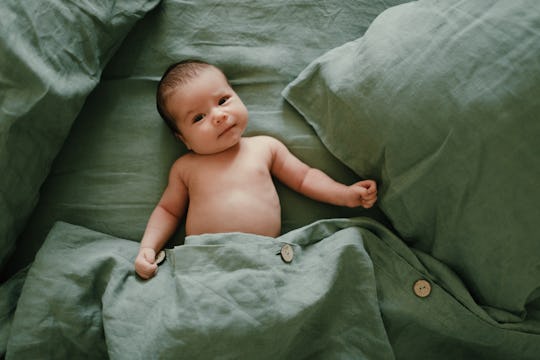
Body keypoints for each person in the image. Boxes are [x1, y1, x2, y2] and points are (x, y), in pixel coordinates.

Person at [135, 60, 377, 279]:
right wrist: (148, 247)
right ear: (184, 139)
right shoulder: (186, 167)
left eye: (222, 101)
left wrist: (345, 194)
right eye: (198, 118)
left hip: (263, 259)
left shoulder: (265, 147)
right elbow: (168, 211)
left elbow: (305, 178)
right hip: (205, 264)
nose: (218, 116)